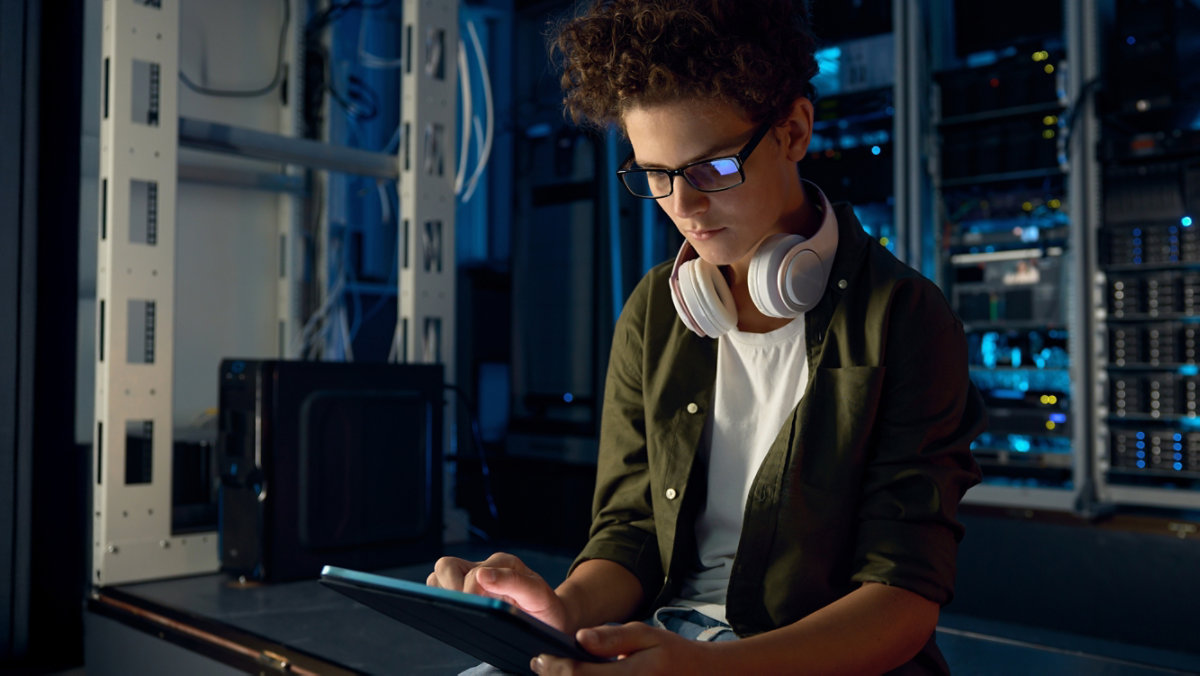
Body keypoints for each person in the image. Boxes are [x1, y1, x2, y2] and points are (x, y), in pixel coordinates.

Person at [428, 1, 986, 673]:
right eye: (654, 176)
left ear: (794, 129)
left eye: (712, 170)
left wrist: (710, 670)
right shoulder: (654, 314)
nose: (682, 207)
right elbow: (630, 530)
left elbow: (902, 599)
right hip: (666, 645)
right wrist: (561, 610)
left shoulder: (905, 318)